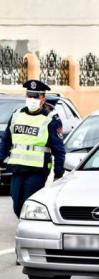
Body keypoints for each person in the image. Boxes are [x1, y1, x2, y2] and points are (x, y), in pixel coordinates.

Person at [0, 80, 65, 218]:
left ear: (43, 99)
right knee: (17, 204)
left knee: (29, 203)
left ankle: (28, 230)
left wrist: (58, 172)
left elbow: (59, 149)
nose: (32, 99)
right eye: (29, 95)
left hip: (37, 171)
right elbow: (6, 140)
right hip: (17, 169)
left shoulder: (50, 119)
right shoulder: (17, 114)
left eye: (36, 96)